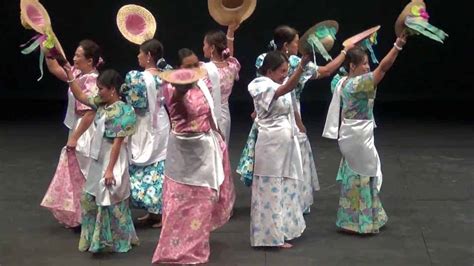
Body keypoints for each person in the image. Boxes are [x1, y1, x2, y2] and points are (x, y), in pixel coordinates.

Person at [238, 25, 351, 214]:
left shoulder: (275, 59)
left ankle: (288, 200)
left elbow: (324, 71)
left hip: (281, 108)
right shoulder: (285, 62)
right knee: (283, 158)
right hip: (277, 109)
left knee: (290, 156)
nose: (298, 45)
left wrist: (344, 52)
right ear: (285, 45)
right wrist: (344, 52)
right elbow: (264, 87)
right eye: (296, 42)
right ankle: (280, 200)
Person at [152, 50, 234, 264]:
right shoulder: (171, 88)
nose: (194, 69)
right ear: (179, 69)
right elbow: (179, 106)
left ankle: (196, 247)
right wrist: (181, 87)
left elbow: (209, 113)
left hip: (204, 147)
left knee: (204, 200)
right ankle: (175, 249)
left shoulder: (203, 84)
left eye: (196, 64)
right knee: (179, 202)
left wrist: (218, 135)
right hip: (183, 150)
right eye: (188, 66)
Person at [323, 31, 408, 234]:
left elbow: (336, 73)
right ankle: (359, 222)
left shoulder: (340, 82)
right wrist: (397, 46)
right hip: (358, 137)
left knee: (358, 174)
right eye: (363, 63)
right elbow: (383, 68)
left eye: (367, 63)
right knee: (363, 173)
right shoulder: (356, 85)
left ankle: (355, 219)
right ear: (353, 66)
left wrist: (348, 49)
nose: (367, 66)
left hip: (350, 134)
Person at [64, 67, 139, 252]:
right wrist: (69, 75)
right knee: (89, 198)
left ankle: (119, 241)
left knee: (110, 199)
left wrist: (109, 169)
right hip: (98, 157)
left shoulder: (125, 111)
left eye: (101, 89)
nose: (98, 92)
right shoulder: (101, 103)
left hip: (113, 158)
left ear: (112, 89)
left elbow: (117, 143)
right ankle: (94, 239)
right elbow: (81, 96)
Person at [249, 50, 311, 248]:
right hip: (271, 146)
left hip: (285, 143)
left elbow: (291, 106)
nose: (285, 74)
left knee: (285, 187)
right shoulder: (259, 84)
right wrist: (300, 68)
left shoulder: (279, 85)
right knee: (271, 188)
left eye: (287, 70)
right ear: (269, 71)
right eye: (282, 71)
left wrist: (300, 126)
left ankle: (284, 230)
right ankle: (270, 236)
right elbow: (283, 91)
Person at [40, 39, 101, 228]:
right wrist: (46, 41)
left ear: (90, 61)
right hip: (77, 126)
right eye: (74, 54)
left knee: (84, 171)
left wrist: (75, 137)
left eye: (78, 56)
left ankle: (90, 215)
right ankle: (80, 215)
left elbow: (90, 112)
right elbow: (55, 67)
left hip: (87, 130)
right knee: (75, 172)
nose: (73, 58)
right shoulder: (76, 73)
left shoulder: (93, 80)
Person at [121, 39, 170, 228]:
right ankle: (154, 212)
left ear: (149, 56)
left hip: (145, 121)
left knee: (151, 164)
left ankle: (159, 211)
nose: (138, 56)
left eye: (141, 53)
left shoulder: (138, 77)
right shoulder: (166, 74)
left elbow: (137, 103)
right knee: (159, 163)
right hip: (161, 121)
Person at [202, 24, 241, 144]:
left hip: (206, 115)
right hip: (224, 115)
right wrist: (230, 33)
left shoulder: (203, 70)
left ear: (212, 48)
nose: (203, 48)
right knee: (222, 150)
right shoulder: (231, 67)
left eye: (205, 45)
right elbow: (230, 56)